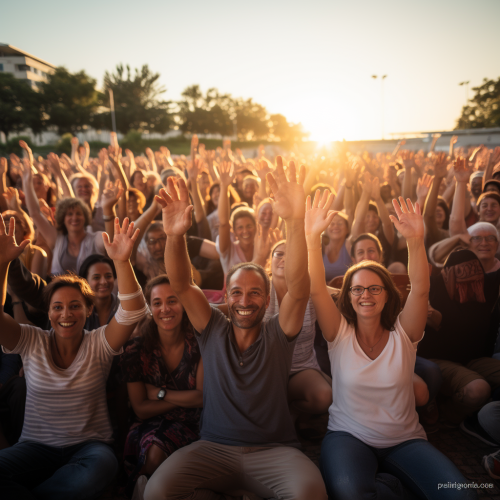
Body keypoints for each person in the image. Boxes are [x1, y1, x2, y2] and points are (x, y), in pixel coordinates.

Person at [145, 159, 327, 500]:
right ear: (226, 297)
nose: (245, 301)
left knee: (312, 494)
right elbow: (182, 285)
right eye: (238, 292)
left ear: (267, 296)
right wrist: (173, 235)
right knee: (156, 492)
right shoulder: (212, 326)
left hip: (275, 451)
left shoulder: (278, 332)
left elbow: (300, 289)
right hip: (214, 449)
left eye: (255, 292)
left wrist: (293, 220)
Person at [305, 191, 474, 499]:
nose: (365, 294)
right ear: (348, 296)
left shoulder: (403, 335)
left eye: (374, 288)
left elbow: (420, 289)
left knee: (463, 495)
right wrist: (312, 237)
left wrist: (415, 239)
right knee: (352, 494)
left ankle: (389, 485)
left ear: (386, 295)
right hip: (348, 438)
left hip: (405, 440)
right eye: (357, 289)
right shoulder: (338, 333)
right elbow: (316, 290)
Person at [0, 215, 148, 500]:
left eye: (74, 306)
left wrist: (122, 260)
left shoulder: (99, 343)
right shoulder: (32, 340)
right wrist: (3, 263)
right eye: (57, 307)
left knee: (104, 465)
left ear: (88, 310)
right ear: (49, 312)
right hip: (36, 447)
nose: (66, 314)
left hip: (90, 448)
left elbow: (132, 311)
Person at [120, 275, 203, 495]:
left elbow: (202, 398)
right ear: (150, 308)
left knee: (161, 456)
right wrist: (186, 399)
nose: (165, 309)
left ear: (184, 303)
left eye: (172, 300)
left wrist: (159, 393)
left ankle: (147, 486)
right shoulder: (135, 350)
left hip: (194, 425)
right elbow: (141, 409)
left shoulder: (199, 344)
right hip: (147, 424)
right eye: (157, 303)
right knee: (153, 452)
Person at [78, 254, 119, 329]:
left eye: (108, 276)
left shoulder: (122, 307)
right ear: (85, 281)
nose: (103, 282)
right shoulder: (79, 311)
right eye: (96, 277)